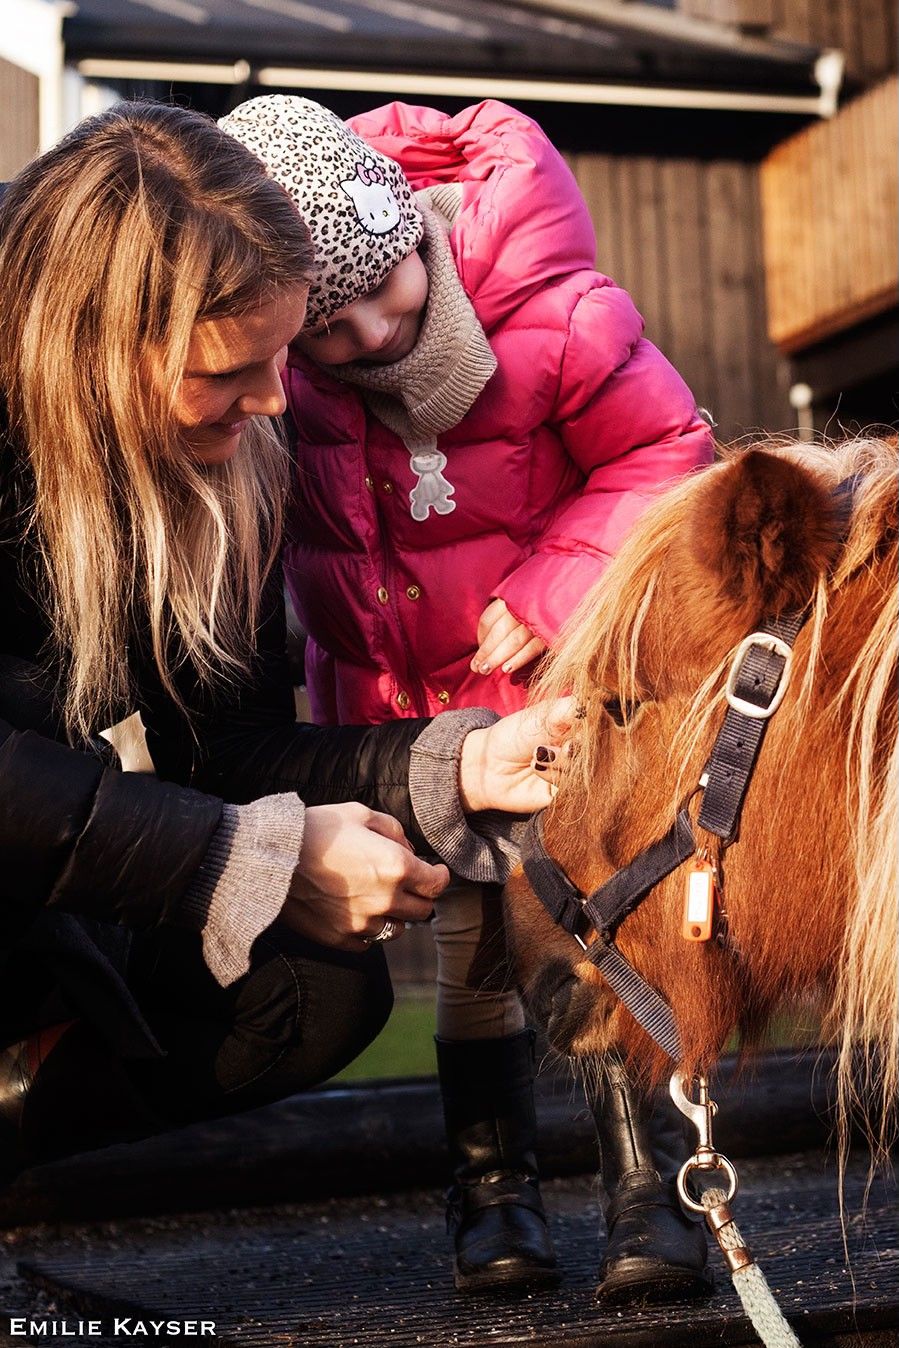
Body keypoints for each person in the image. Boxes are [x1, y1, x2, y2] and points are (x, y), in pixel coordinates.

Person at [0, 98, 569, 1262]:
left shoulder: (223, 463)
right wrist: (234, 857)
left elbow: (224, 743)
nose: (276, 399)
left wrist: (450, 760)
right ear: (103, 348)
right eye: (232, 368)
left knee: (309, 986)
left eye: (285, 351)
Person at [219, 94, 715, 1303]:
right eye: (325, 328)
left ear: (412, 227)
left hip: (555, 706)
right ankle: (493, 1191)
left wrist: (555, 586)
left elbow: (666, 453)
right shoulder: (293, 390)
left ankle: (647, 1191)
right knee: (470, 957)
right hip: (406, 720)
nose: (373, 333)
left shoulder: (554, 317)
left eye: (386, 283)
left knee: (593, 932)